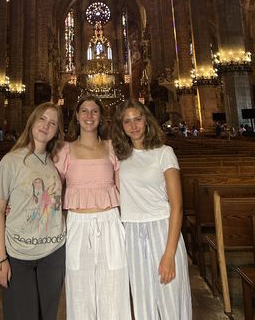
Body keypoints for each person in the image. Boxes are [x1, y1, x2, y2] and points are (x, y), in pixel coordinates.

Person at [112, 99, 192, 320]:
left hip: (162, 230)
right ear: (121, 127)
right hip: (132, 233)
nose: (133, 125)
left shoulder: (164, 152)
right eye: (127, 121)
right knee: (142, 302)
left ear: (146, 120)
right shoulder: (120, 157)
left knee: (170, 301)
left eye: (138, 119)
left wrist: (169, 254)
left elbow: (177, 207)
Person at [55, 94, 131, 320]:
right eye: (84, 111)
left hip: (110, 222)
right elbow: (52, 190)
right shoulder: (64, 150)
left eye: (94, 111)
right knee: (80, 289)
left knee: (115, 286)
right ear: (76, 117)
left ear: (101, 117)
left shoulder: (112, 147)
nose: (89, 115)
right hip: (78, 225)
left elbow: (124, 188)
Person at [0, 102, 66, 320]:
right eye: (42, 119)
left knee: (47, 315)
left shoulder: (58, 162)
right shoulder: (10, 161)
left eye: (53, 123)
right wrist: (0, 259)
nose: (46, 125)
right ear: (31, 121)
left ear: (57, 130)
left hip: (54, 251)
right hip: (18, 253)